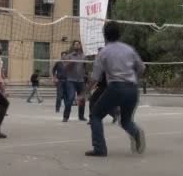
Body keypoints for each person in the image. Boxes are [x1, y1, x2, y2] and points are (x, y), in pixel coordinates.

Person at [84, 21, 146, 157]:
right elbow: (142, 68)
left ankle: (100, 148)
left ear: (104, 35)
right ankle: (136, 132)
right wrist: (133, 77)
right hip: (132, 88)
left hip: (116, 88)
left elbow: (95, 78)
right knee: (126, 120)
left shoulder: (103, 52)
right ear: (119, 34)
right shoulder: (129, 49)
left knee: (95, 115)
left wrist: (85, 93)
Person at [62, 41, 87, 122]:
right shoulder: (69, 56)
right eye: (75, 44)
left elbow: (84, 67)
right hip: (71, 80)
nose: (77, 45)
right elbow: (65, 69)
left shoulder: (83, 56)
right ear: (73, 46)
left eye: (78, 44)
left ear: (80, 46)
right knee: (71, 97)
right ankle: (66, 117)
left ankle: (81, 116)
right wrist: (70, 64)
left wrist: (85, 76)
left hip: (81, 80)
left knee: (82, 99)